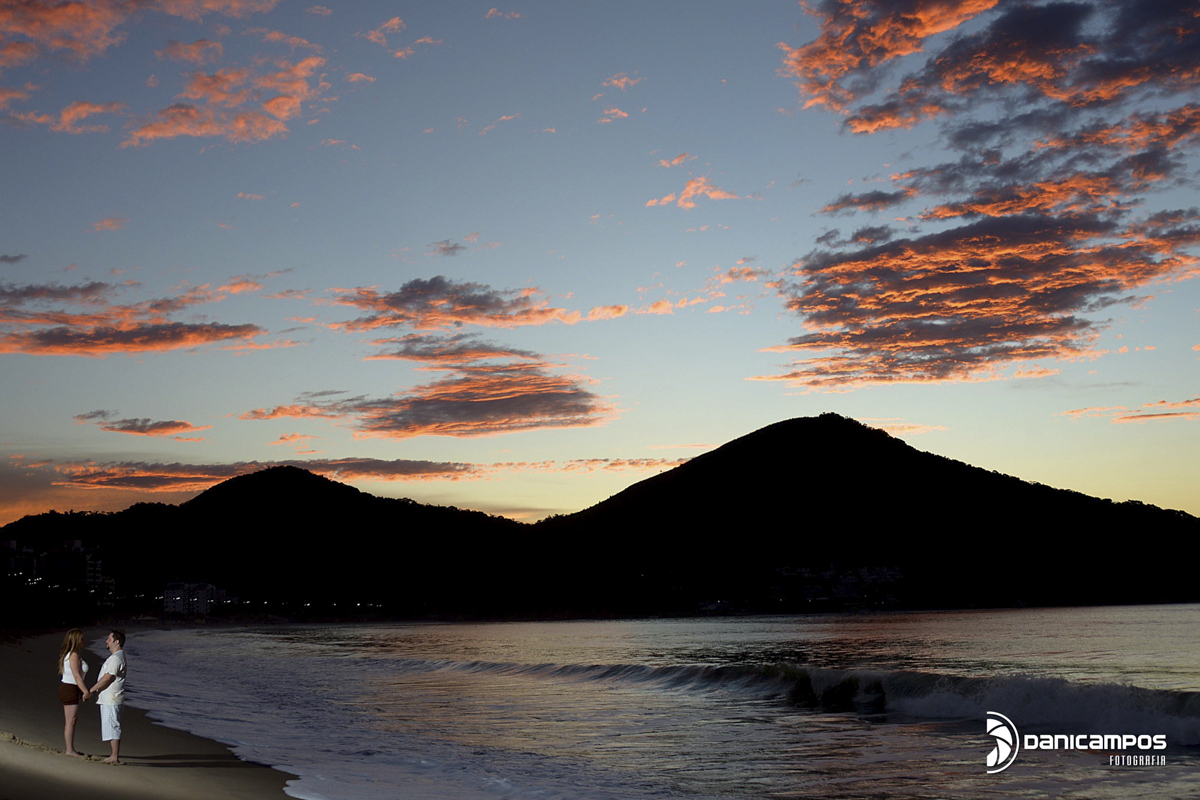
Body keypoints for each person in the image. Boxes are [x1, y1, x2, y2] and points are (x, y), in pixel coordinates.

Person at [90, 629, 127, 764]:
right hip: (111, 697)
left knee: (112, 725)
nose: (106, 641)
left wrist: (92, 690)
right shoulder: (116, 657)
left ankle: (114, 756)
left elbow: (108, 678)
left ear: (116, 642)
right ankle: (113, 755)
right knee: (110, 725)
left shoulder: (116, 658)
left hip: (112, 698)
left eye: (109, 639)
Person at [57, 628, 91, 757]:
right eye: (81, 639)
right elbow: (77, 676)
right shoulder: (73, 655)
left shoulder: (72, 654)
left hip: (70, 688)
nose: (83, 641)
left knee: (71, 720)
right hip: (70, 688)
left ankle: (70, 749)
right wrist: (86, 692)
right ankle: (69, 750)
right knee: (70, 721)